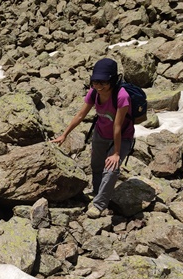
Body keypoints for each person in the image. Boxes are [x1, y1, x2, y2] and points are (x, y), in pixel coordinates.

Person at [52, 58, 135, 218]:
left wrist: (116, 153)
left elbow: (117, 126)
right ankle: (99, 193)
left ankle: (99, 205)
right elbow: (80, 115)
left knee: (111, 169)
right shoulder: (94, 93)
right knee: (96, 167)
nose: (98, 86)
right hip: (100, 133)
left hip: (122, 137)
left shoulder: (122, 96)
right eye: (95, 82)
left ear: (112, 80)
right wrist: (64, 134)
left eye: (102, 83)